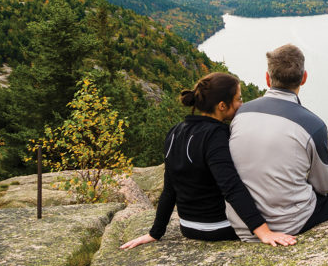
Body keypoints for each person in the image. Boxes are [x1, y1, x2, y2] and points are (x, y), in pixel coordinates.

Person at [120, 72, 297, 249]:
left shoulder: (175, 132)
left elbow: (169, 189)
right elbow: (231, 186)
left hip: (188, 227)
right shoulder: (215, 135)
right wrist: (263, 231)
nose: (241, 104)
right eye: (238, 99)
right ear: (222, 106)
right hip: (219, 227)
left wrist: (155, 232)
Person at [227, 43, 328, 240]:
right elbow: (324, 186)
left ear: (267, 78)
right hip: (290, 223)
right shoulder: (313, 125)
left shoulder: (241, 113)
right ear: (304, 78)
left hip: (242, 221)